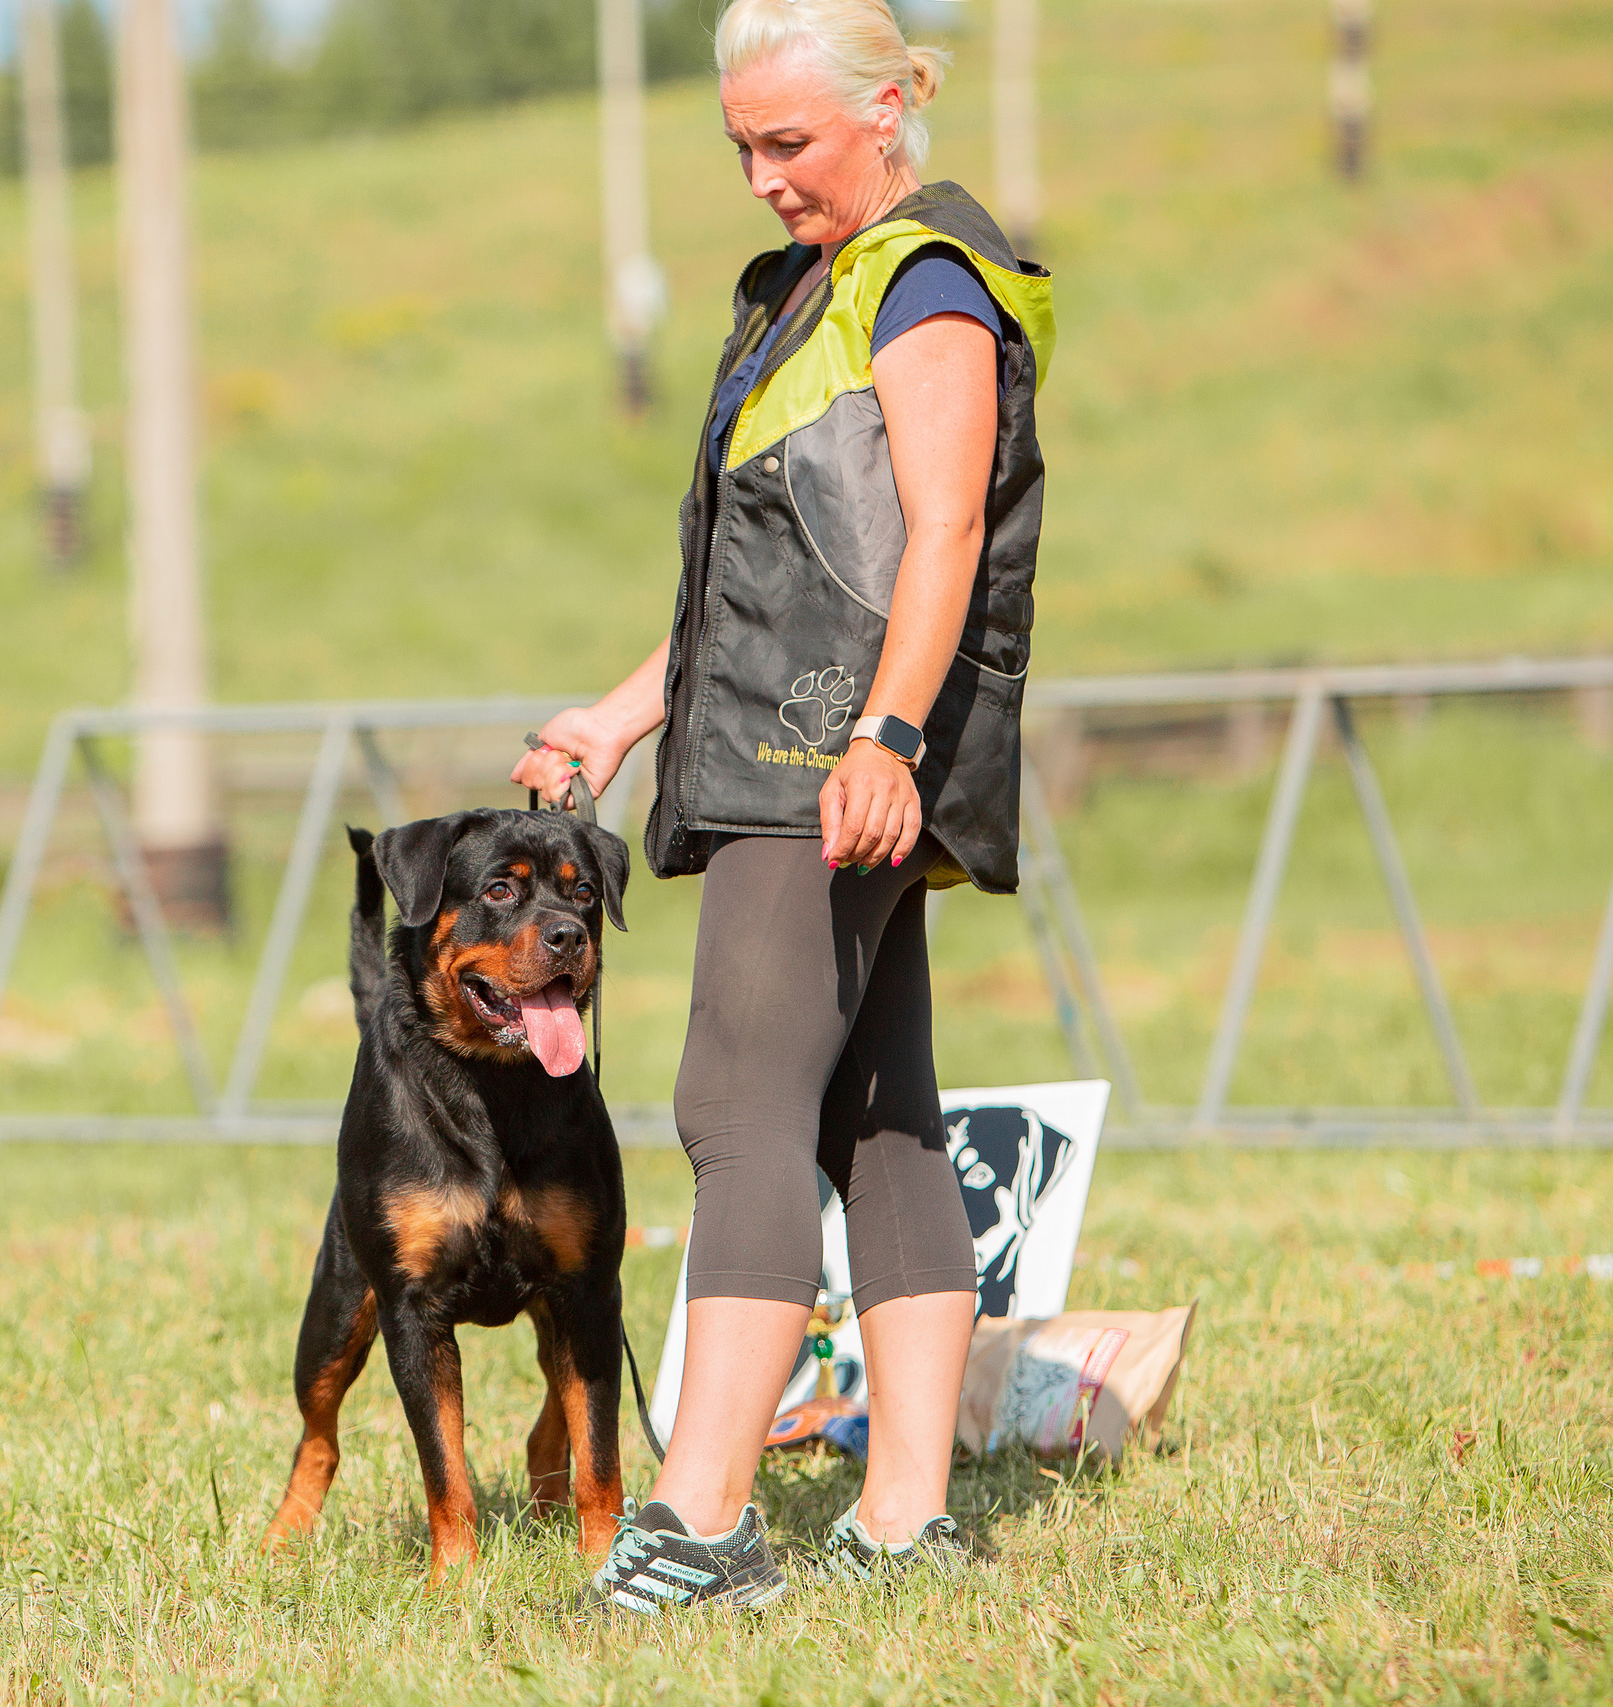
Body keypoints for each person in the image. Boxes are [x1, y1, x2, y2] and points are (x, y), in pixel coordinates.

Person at [512, 0, 1054, 1614]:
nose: (760, 177)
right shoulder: (808, 298)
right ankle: (903, 1522)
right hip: (791, 751)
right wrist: (619, 715)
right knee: (872, 1119)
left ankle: (705, 1519)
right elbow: (767, 587)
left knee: (736, 1103)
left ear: (888, 111)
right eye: (740, 146)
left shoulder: (928, 283)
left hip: (830, 771)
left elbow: (944, 533)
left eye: (790, 142)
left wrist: (886, 737)